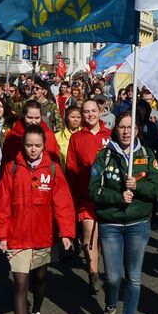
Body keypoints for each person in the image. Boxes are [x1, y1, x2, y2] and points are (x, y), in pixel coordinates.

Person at [0, 125, 75, 314]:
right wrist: (1, 235)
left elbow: (63, 203)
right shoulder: (11, 169)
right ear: (23, 145)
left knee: (39, 278)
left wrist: (66, 232)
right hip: (17, 236)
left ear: (44, 146)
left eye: (37, 145)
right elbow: (2, 205)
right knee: (20, 284)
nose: (33, 149)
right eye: (29, 145)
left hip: (43, 235)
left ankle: (36, 309)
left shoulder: (53, 169)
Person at [91, 111, 158, 314]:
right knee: (112, 277)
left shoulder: (146, 154)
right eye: (121, 127)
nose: (125, 131)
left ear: (137, 130)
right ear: (116, 129)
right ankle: (110, 306)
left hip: (138, 224)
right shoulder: (104, 156)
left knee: (133, 277)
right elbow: (93, 190)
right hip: (111, 223)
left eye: (130, 127)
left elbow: (157, 190)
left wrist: (138, 187)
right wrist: (117, 196)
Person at [66, 99, 111, 295]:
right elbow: (71, 168)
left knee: (102, 238)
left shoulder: (111, 136)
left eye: (93, 111)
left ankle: (100, 264)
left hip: (109, 196)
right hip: (85, 195)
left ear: (100, 112)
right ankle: (93, 274)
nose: (90, 114)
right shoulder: (76, 138)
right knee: (88, 236)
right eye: (86, 111)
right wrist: (71, 197)